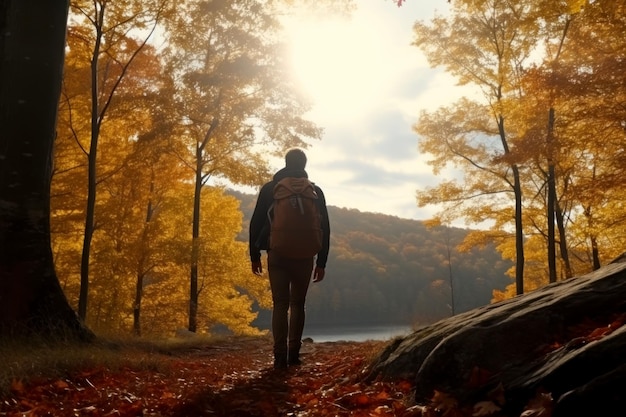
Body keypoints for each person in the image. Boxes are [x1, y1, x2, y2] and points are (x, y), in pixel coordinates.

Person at [249, 148, 330, 370]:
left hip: (278, 253)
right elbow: (325, 228)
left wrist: (254, 255)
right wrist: (322, 262)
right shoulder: (315, 191)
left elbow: (256, 222)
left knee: (280, 304)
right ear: (304, 165)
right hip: (305, 255)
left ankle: (279, 356)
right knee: (298, 304)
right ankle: (294, 354)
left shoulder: (270, 189)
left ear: (285, 162)